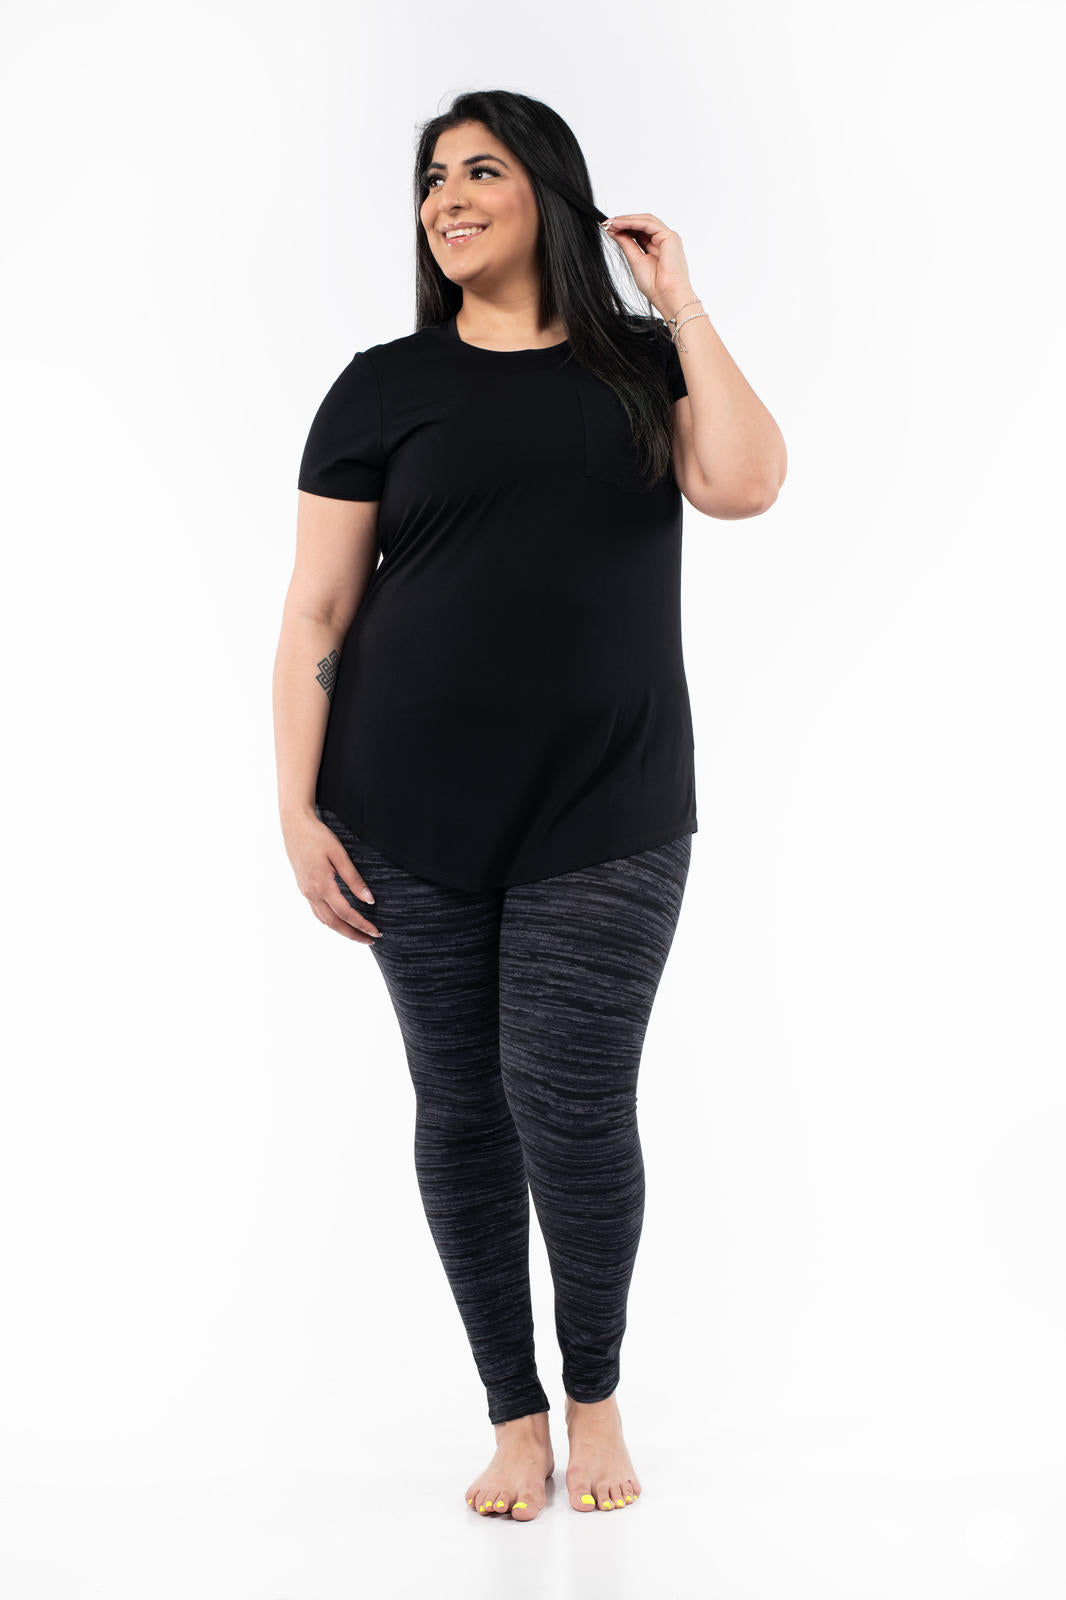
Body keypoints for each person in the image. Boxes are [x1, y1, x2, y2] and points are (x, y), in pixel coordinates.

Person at [273, 88, 786, 1523]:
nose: (446, 197)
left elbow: (744, 485)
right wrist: (297, 808)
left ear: (547, 191)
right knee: (460, 1109)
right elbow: (316, 611)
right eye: (432, 177)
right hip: (401, 805)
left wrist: (678, 303)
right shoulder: (381, 386)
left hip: (608, 802)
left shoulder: (639, 363)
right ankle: (512, 1416)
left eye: (480, 170)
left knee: (570, 1104)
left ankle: (594, 1395)